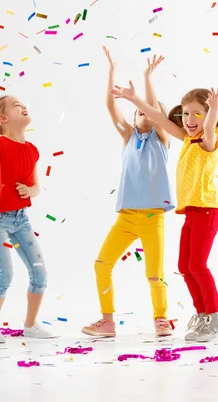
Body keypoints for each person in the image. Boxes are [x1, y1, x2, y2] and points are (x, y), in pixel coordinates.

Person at [112, 82, 218, 342]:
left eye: (196, 114)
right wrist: (135, 100)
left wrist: (212, 110)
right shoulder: (189, 139)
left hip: (207, 211)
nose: (189, 119)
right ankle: (202, 315)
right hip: (192, 214)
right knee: (185, 266)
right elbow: (157, 117)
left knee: (198, 265)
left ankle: (215, 315)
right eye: (185, 114)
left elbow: (210, 126)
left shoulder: (208, 140)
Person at [81, 47, 175, 338]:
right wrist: (110, 72)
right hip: (125, 218)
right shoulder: (127, 135)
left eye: (149, 110)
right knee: (101, 265)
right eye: (138, 111)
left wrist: (148, 77)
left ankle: (161, 319)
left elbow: (155, 111)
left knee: (154, 275)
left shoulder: (162, 138)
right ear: (134, 119)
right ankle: (107, 321)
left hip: (152, 218)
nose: (143, 113)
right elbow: (112, 109)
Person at [0, 95, 56, 343]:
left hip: (21, 220)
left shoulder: (32, 150)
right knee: (5, 275)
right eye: (17, 105)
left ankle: (30, 325)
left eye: (24, 104)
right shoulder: (0, 144)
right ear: (3, 119)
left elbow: (36, 186)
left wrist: (30, 192)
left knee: (40, 273)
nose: (24, 106)